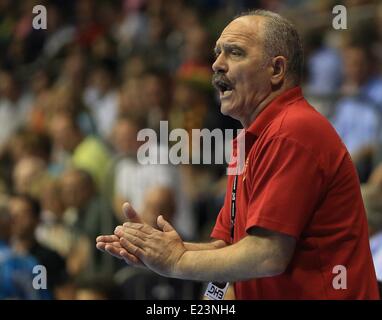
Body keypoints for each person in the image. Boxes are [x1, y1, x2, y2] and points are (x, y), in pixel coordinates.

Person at [96, 10, 380, 299]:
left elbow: (268, 254)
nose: (217, 64)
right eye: (218, 53)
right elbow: (230, 250)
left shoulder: (293, 131)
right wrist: (159, 252)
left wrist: (177, 261)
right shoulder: (248, 141)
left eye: (235, 53)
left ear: (277, 70)